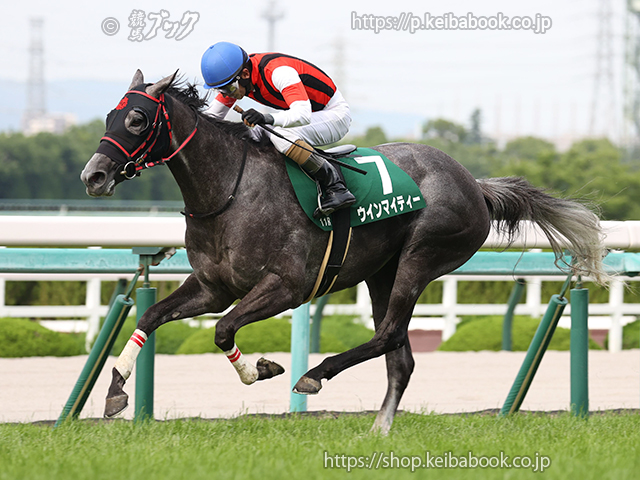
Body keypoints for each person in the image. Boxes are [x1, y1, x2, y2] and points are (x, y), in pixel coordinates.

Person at [200, 41, 356, 218]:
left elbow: (302, 115)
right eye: (220, 90)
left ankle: (335, 185)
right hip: (310, 115)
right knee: (247, 134)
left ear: (245, 74)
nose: (226, 94)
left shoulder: (278, 72)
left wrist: (266, 118)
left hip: (334, 114)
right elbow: (209, 119)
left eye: (228, 88)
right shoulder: (240, 77)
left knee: (281, 135)